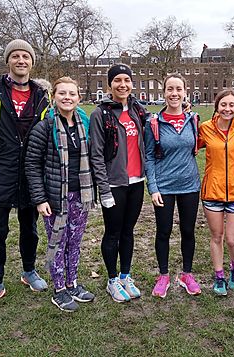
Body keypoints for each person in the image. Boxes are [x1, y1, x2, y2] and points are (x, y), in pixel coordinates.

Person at [0, 39, 49, 311]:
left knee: (29, 227)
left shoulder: (42, 95)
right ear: (8, 61)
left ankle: (29, 271)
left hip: (30, 171)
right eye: (15, 56)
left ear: (31, 62)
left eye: (25, 56)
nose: (20, 61)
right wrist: (3, 150)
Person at [25, 77, 95, 312]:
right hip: (55, 197)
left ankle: (72, 283)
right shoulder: (44, 126)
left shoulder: (84, 123)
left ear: (78, 97)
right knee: (58, 242)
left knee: (75, 242)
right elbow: (32, 164)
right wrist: (40, 198)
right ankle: (59, 289)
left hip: (81, 194)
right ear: (54, 97)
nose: (67, 97)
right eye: (62, 93)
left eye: (72, 94)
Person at [89, 64, 148, 303]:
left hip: (137, 181)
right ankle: (112, 279)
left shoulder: (138, 110)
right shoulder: (100, 114)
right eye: (117, 81)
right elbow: (96, 154)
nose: (122, 84)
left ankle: (125, 275)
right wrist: (103, 189)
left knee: (128, 231)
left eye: (126, 80)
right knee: (113, 232)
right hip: (114, 184)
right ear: (109, 85)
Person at [144, 74, 201, 298]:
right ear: (164, 92)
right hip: (164, 187)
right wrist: (154, 188)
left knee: (188, 231)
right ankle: (164, 275)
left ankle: (186, 274)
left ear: (185, 92)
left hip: (189, 185)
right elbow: (149, 156)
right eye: (170, 89)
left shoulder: (194, 120)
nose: (174, 93)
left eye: (178, 89)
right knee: (164, 231)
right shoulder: (154, 123)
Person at [198, 90, 234, 296]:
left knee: (232, 238)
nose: (227, 109)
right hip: (212, 191)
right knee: (216, 237)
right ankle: (219, 275)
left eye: (231, 105)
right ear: (217, 106)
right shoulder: (205, 128)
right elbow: (190, 146)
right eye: (223, 104)